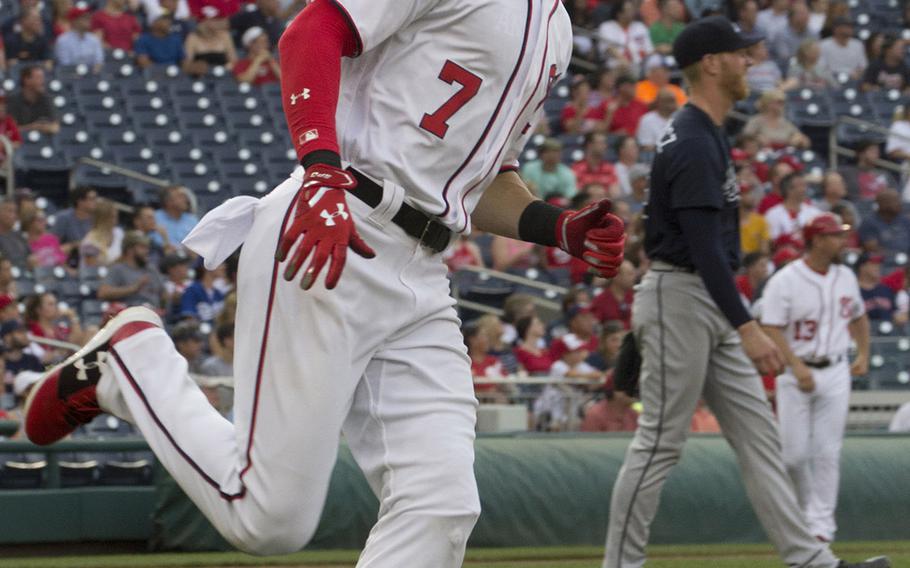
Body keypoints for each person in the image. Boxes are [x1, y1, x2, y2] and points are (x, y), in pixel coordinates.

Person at [23, 1, 626, 565]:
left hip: (424, 264)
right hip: (340, 222)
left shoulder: (558, 28)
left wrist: (558, 227)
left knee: (441, 503)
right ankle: (129, 364)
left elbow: (486, 176)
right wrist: (319, 172)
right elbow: (311, 31)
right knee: (268, 517)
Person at [603, 16, 889, 568]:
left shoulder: (709, 132)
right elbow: (704, 249)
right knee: (661, 441)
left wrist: (735, 319)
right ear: (711, 63)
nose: (750, 62)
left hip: (703, 296)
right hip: (681, 295)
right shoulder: (689, 140)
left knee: (761, 439)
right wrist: (748, 325)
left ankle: (811, 559)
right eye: (739, 54)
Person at [760, 213, 869, 543]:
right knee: (793, 456)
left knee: (827, 452)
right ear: (817, 240)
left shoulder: (846, 276)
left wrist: (863, 352)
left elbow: (860, 318)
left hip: (836, 369)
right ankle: (807, 515)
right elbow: (770, 327)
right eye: (835, 236)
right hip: (797, 373)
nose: (842, 241)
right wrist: (796, 365)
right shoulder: (786, 279)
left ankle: (821, 528)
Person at [97, 231, 165, 310]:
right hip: (131, 316)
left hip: (156, 315)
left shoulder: (151, 269)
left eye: (147, 247)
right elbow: (103, 293)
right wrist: (134, 288)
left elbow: (163, 294)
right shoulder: (117, 269)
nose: (147, 251)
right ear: (130, 250)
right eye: (142, 247)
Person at [765, 172, 822, 245]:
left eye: (805, 185)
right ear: (788, 190)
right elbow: (772, 241)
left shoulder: (815, 213)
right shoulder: (772, 214)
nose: (804, 189)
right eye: (801, 185)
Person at [743, 89, 811, 149]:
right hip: (762, 155)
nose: (782, 105)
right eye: (779, 102)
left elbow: (804, 140)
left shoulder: (785, 122)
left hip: (784, 154)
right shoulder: (756, 120)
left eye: (783, 102)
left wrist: (799, 140)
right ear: (768, 103)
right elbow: (745, 138)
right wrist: (756, 139)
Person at [597, 0, 654, 72]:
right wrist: (624, 60)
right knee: (622, 66)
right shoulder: (606, 26)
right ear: (619, 14)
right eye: (629, 10)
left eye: (633, 10)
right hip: (615, 63)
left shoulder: (640, 26)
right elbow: (609, 48)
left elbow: (649, 49)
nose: (632, 13)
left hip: (640, 63)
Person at [182, 8, 237, 76]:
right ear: (203, 21)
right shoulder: (193, 38)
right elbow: (186, 64)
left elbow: (234, 61)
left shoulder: (225, 36)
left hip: (222, 75)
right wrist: (195, 67)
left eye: (217, 19)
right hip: (200, 75)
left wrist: (228, 66)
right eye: (213, 20)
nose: (218, 22)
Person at [6, 65, 58, 134]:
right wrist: (33, 127)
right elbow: (10, 131)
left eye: (42, 77)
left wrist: (41, 127)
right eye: (38, 78)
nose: (43, 81)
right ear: (26, 80)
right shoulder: (13, 100)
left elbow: (55, 127)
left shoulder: (47, 99)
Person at [857, 189, 910, 256]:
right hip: (883, 261)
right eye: (895, 201)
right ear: (883, 204)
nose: (899, 204)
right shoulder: (869, 223)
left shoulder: (904, 220)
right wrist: (897, 256)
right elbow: (872, 248)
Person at [768, 2, 816, 74]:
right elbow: (786, 59)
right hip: (784, 72)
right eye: (802, 13)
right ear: (791, 17)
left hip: (808, 71)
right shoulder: (781, 34)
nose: (806, 16)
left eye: (807, 13)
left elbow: (817, 55)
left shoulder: (813, 33)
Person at [52, 186, 97, 258]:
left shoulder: (96, 219)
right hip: (70, 257)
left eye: (95, 199)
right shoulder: (63, 217)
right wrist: (73, 245)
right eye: (92, 199)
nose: (95, 202)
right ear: (80, 201)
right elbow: (54, 242)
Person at [591, 260, 635, 328]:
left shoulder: (635, 297)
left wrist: (623, 325)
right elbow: (594, 325)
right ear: (616, 276)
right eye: (630, 274)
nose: (633, 278)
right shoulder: (601, 300)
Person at [80, 198, 123, 266]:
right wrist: (118, 261)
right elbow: (91, 268)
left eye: (116, 216)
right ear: (102, 218)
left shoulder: (119, 233)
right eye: (112, 217)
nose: (116, 221)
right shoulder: (90, 241)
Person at [636, 87, 677, 153]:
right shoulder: (647, 120)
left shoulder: (679, 119)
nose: (673, 104)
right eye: (668, 101)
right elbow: (646, 147)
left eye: (673, 101)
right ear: (659, 102)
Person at [0, 199, 31, 269]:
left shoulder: (19, 236)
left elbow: (30, 255)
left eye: (15, 212)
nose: (14, 216)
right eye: (9, 211)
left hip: (25, 276)